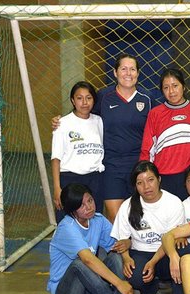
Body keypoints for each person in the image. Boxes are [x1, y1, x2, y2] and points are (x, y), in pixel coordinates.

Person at [52, 53, 153, 223]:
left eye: (132, 69)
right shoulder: (104, 97)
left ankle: (139, 248)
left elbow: (162, 118)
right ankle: (120, 249)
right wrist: (60, 121)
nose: (128, 73)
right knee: (116, 218)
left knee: (139, 216)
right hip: (111, 166)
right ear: (115, 73)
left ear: (138, 73)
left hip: (138, 166)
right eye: (123, 69)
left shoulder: (148, 98)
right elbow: (83, 112)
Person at [46, 183, 151, 294]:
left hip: (90, 291)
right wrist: (119, 283)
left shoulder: (98, 220)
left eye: (90, 200)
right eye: (81, 205)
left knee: (115, 256)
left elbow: (117, 245)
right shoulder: (67, 227)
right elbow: (88, 260)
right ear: (71, 209)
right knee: (80, 262)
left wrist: (127, 242)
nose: (89, 207)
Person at [110, 160, 189, 294]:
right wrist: (126, 258)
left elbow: (170, 238)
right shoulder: (127, 206)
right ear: (135, 186)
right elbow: (122, 240)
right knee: (134, 274)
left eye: (150, 180)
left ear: (159, 180)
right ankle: (149, 290)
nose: (146, 187)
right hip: (141, 252)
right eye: (140, 183)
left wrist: (152, 262)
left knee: (184, 249)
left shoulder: (173, 203)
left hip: (166, 252)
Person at [140, 68, 190, 200]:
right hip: (165, 177)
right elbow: (147, 148)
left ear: (184, 87)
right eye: (166, 87)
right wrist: (145, 175)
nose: (171, 91)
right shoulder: (155, 113)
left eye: (175, 86)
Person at [50, 81, 105, 223]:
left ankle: (91, 247)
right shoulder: (62, 123)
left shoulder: (99, 121)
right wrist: (57, 187)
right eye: (79, 98)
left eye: (89, 97)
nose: (84, 102)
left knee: (93, 222)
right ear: (73, 100)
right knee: (68, 222)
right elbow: (56, 158)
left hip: (94, 180)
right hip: (69, 179)